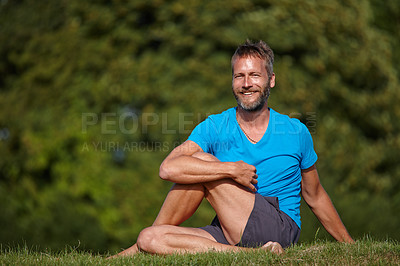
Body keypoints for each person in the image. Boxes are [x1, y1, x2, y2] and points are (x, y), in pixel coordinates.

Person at [113, 40, 353, 257]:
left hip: (278, 226)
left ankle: (131, 255)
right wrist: (230, 170)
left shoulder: (295, 131)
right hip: (230, 231)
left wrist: (350, 246)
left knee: (201, 161)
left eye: (254, 76)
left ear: (271, 80)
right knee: (150, 237)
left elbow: (315, 195)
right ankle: (249, 256)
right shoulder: (215, 126)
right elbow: (167, 169)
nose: (246, 84)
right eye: (239, 76)